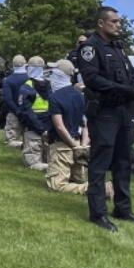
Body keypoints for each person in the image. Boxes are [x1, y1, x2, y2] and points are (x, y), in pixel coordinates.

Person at [75, 6, 134, 231]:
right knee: (101, 162)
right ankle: (98, 213)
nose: (119, 25)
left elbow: (130, 72)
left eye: (119, 21)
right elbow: (92, 78)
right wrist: (121, 89)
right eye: (114, 21)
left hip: (123, 110)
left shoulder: (118, 47)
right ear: (101, 23)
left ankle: (123, 209)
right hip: (104, 111)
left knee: (124, 160)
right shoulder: (90, 47)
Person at [44, 59, 90, 195]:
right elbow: (86, 124)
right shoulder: (80, 95)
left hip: (62, 145)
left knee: (56, 185)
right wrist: (82, 146)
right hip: (78, 142)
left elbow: (59, 126)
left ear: (58, 74)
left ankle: (98, 189)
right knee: (78, 180)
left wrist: (73, 147)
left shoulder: (54, 97)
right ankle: (94, 186)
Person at [17, 56, 51, 172]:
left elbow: (25, 110)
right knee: (49, 155)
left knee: (32, 161)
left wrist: (38, 127)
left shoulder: (27, 86)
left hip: (33, 125)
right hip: (48, 124)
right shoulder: (50, 85)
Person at [1, 55, 29, 148]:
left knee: (11, 140)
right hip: (29, 112)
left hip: (13, 112)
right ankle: (26, 144)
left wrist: (17, 111)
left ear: (13, 65)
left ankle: (20, 145)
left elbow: (8, 99)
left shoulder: (7, 80)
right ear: (25, 63)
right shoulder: (30, 78)